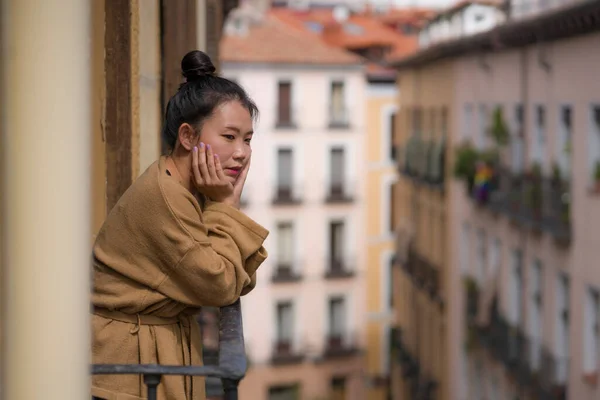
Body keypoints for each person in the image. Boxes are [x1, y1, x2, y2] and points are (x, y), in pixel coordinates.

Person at [91, 50, 269, 400]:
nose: (242, 152)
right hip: (127, 372)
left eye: (247, 139)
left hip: (155, 358)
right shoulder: (167, 198)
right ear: (187, 137)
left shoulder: (192, 188)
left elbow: (240, 280)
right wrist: (226, 204)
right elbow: (221, 286)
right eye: (229, 137)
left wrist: (220, 206)